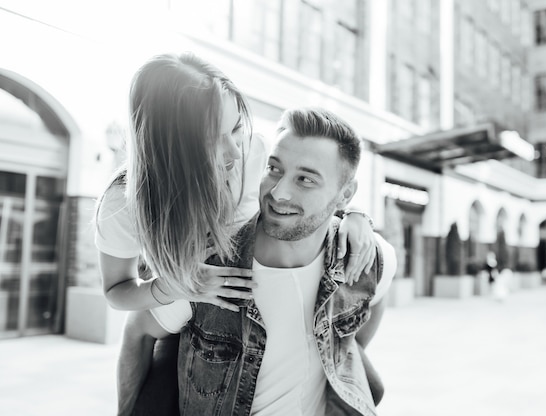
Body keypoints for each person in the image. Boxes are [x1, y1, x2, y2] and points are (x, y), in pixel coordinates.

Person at [95, 53, 378, 416]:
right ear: (172, 143)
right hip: (189, 310)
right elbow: (116, 293)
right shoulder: (124, 203)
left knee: (371, 388)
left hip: (255, 294)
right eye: (215, 138)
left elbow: (313, 192)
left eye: (235, 129)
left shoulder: (252, 151)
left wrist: (354, 214)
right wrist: (178, 286)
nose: (234, 150)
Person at [151, 107, 397, 415]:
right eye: (275, 169)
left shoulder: (368, 256)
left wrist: (346, 352)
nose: (279, 192)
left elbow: (379, 292)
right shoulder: (209, 266)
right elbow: (141, 334)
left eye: (305, 179)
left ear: (345, 194)